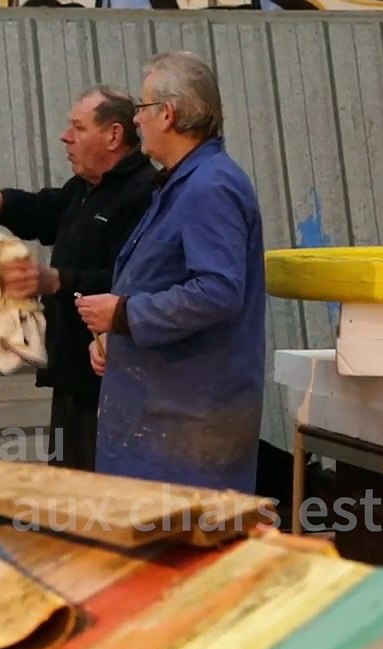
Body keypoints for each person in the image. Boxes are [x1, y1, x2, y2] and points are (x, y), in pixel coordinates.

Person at [0, 86, 156, 471]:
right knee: (65, 489)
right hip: (70, 374)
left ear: (114, 135)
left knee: (107, 493)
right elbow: (35, 211)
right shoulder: (83, 189)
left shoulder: (145, 195)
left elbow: (138, 283)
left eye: (78, 128)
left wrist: (56, 280)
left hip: (115, 382)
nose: (65, 137)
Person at [76, 51, 266, 494]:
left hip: (186, 433)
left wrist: (125, 315)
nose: (136, 120)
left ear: (167, 114)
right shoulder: (185, 183)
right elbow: (167, 280)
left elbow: (218, 291)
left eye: (142, 108)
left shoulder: (210, 187)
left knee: (185, 539)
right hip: (166, 421)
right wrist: (119, 338)